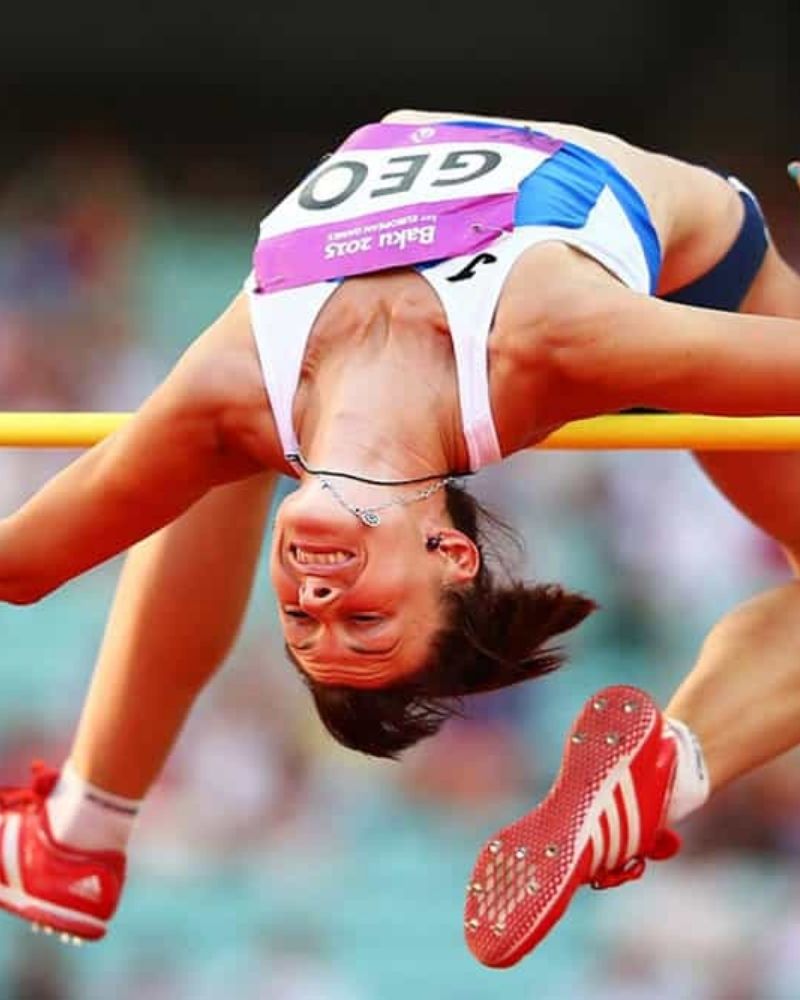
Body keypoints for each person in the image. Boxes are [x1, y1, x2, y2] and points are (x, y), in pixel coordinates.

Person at [1, 109, 800, 955]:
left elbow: (20, 566)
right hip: (700, 275)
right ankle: (666, 769)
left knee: (215, 441)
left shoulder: (233, 389)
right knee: (218, 436)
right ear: (451, 556)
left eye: (303, 623)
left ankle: (74, 839)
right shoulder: (545, 342)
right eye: (365, 621)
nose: (317, 597)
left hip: (299, 358)